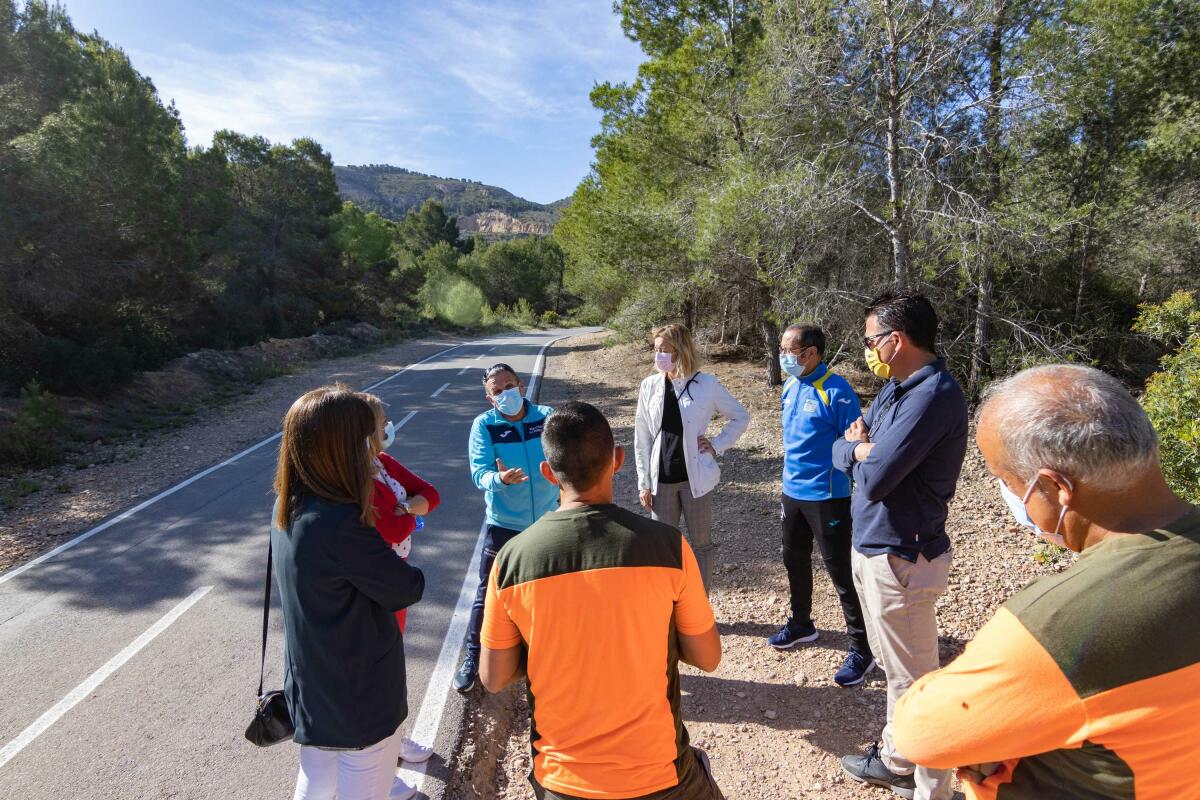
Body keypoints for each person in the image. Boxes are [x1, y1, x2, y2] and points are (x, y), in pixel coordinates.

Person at [891, 364, 1199, 799]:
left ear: (1055, 488)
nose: (1009, 495)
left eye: (1006, 480)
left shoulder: (1060, 622)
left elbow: (919, 732)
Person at [479, 401, 725, 800]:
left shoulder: (512, 560)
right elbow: (708, 657)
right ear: (618, 460)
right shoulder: (667, 547)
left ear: (547, 472)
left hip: (561, 779)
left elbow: (494, 676)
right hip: (659, 776)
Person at [831, 289, 967, 800]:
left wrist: (859, 451)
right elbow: (849, 445)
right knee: (896, 671)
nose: (867, 349)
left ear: (895, 339)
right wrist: (859, 449)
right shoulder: (896, 388)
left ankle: (934, 789)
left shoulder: (934, 395)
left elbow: (879, 474)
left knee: (918, 683)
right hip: (873, 547)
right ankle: (895, 758)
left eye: (870, 340)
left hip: (902, 557)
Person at [270, 385, 425, 800]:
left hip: (310, 678)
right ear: (344, 447)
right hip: (358, 691)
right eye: (365, 438)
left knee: (318, 776)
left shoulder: (290, 502)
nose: (372, 447)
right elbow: (405, 586)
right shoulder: (341, 523)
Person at [769, 323, 875, 688]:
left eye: (790, 350)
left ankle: (862, 648)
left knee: (841, 572)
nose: (784, 357)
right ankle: (802, 624)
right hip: (792, 491)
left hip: (828, 496)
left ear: (811, 353)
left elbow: (856, 445)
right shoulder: (790, 384)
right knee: (793, 559)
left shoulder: (838, 390)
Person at [454, 362, 558, 693]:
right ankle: (473, 658)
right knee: (488, 594)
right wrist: (499, 479)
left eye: (509, 386)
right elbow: (479, 473)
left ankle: (551, 658)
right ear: (489, 398)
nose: (504, 394)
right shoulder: (484, 425)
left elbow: (564, 455)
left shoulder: (545, 416)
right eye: (497, 391)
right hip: (504, 525)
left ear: (521, 385)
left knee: (552, 592)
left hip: (547, 521)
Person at [359, 392, 440, 778]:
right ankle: (382, 757)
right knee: (380, 668)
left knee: (391, 663)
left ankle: (392, 739)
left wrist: (405, 507)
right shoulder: (356, 476)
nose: (389, 426)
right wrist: (410, 511)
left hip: (395, 572)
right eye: (382, 420)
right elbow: (389, 527)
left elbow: (432, 494)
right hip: (378, 581)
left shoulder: (382, 462)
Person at [634, 323, 749, 593]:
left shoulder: (706, 384)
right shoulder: (649, 386)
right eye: (656, 349)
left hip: (695, 480)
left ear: (681, 350)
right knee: (663, 546)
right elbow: (642, 438)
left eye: (665, 349)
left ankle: (700, 604)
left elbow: (740, 416)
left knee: (701, 544)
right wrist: (644, 482)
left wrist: (717, 444)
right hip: (661, 480)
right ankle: (668, 605)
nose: (659, 355)